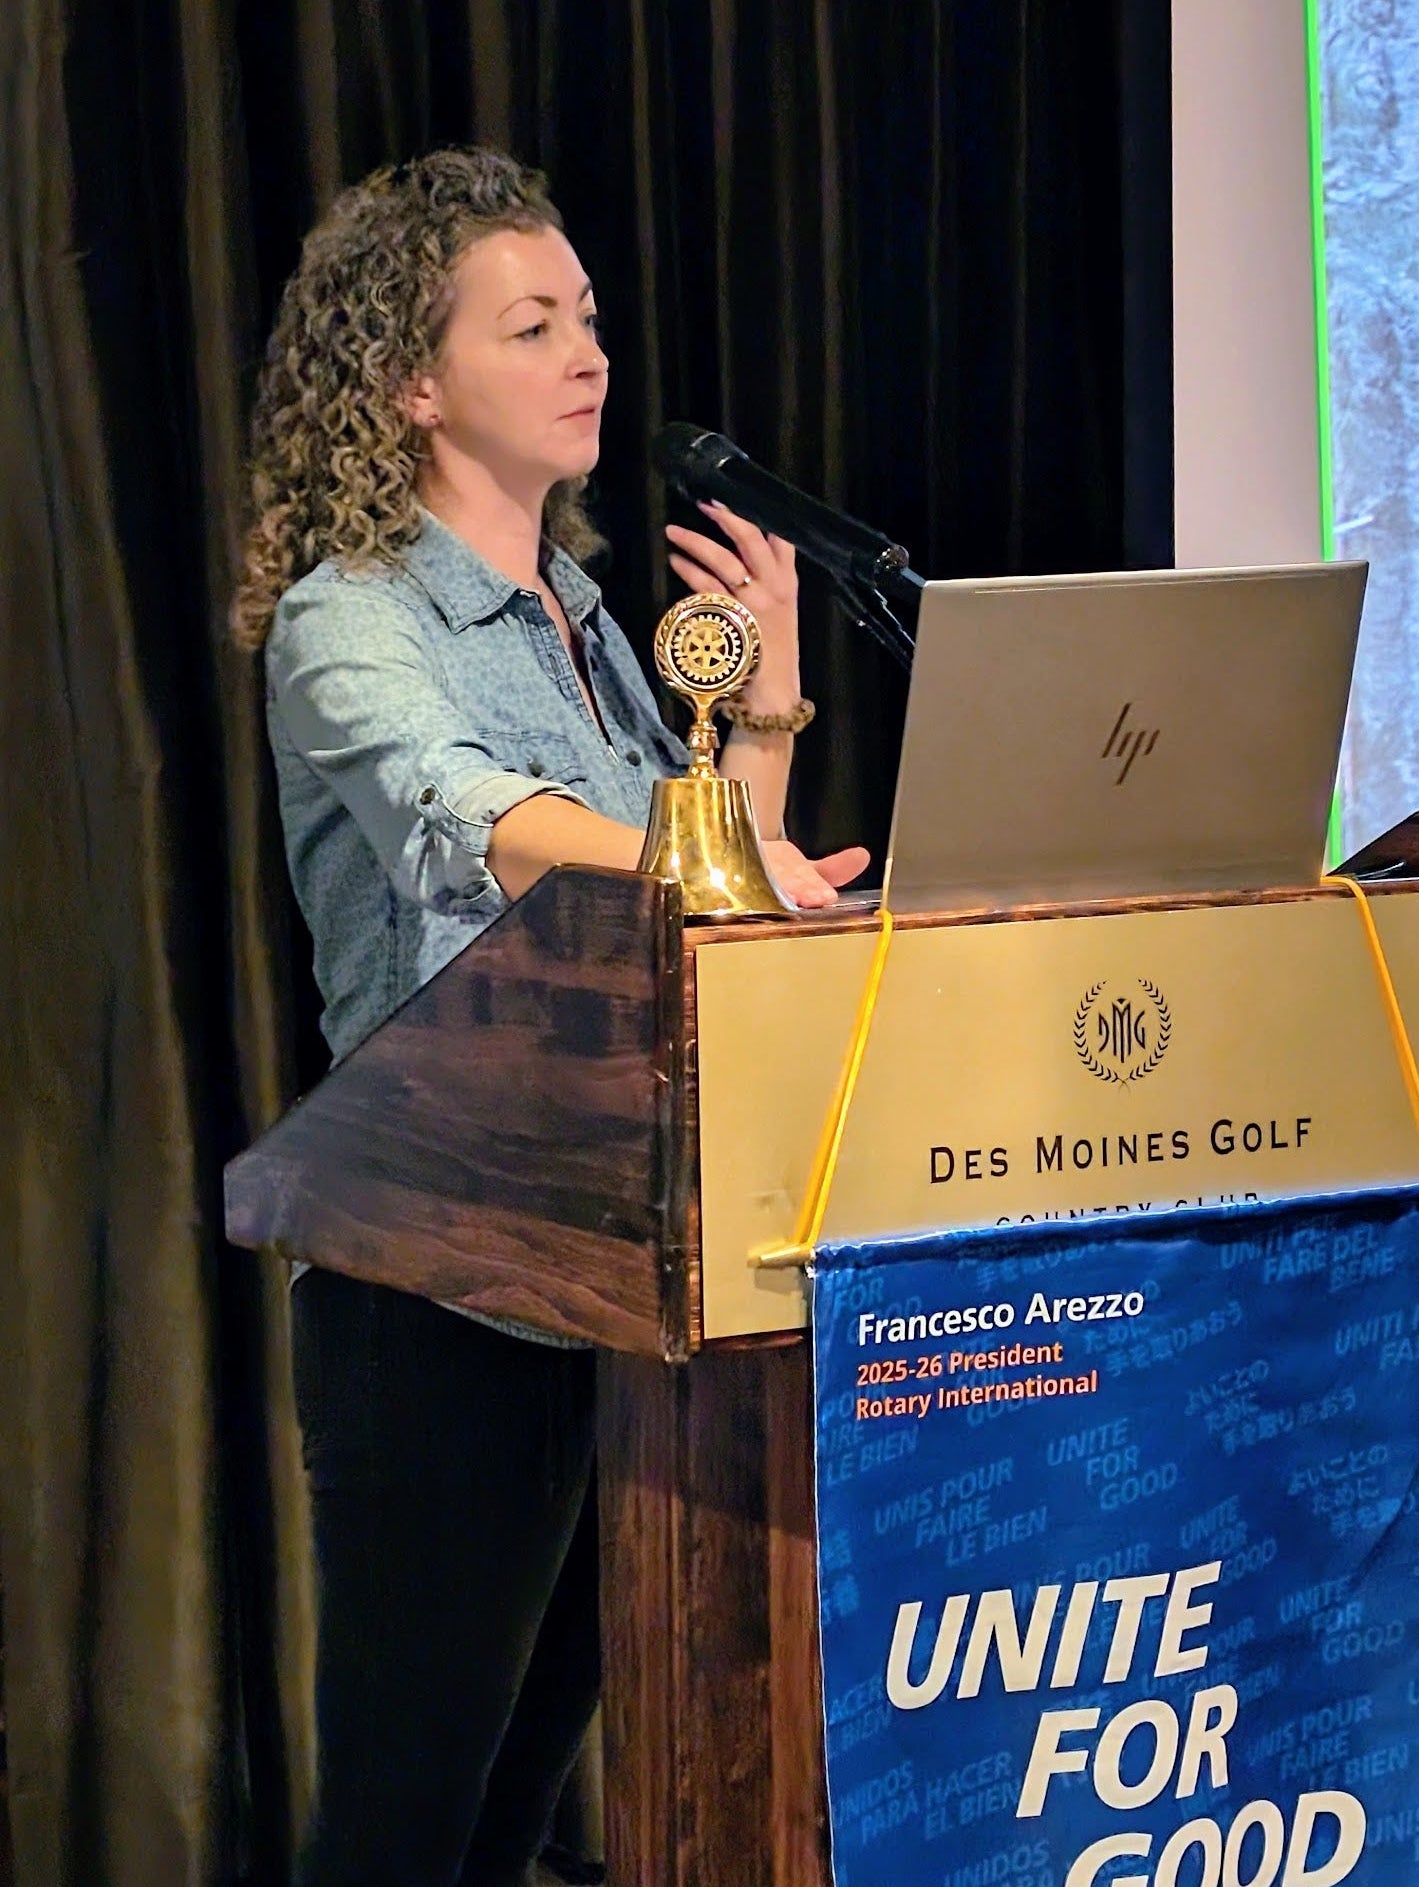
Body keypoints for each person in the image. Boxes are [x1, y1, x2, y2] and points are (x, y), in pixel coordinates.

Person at [232, 146, 867, 1885]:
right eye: (533, 326)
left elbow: (700, 914)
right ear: (412, 384)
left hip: (617, 1271)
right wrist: (725, 858)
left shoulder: (592, 619)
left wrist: (767, 716)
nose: (590, 355)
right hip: (432, 1292)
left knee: (518, 1810)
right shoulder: (344, 621)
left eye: (587, 317)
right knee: (403, 1823)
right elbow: (475, 820)